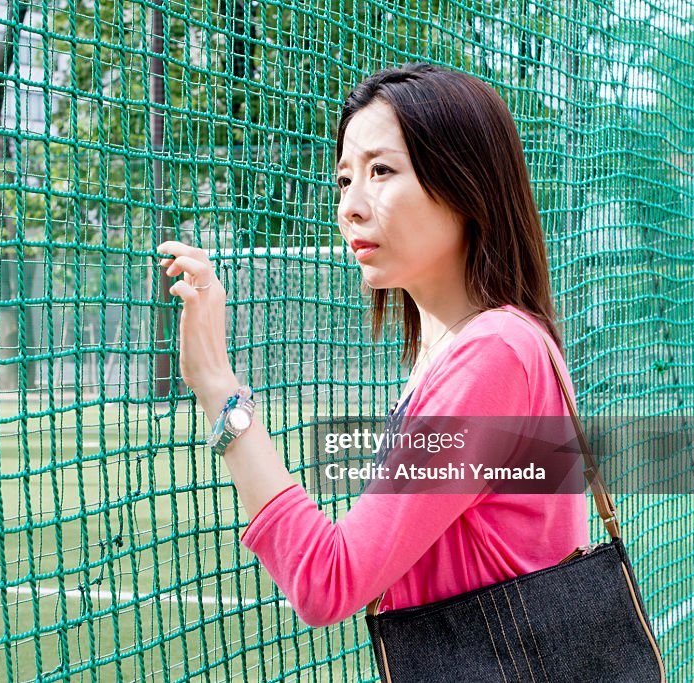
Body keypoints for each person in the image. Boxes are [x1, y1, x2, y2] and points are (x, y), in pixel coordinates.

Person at [155, 62, 589, 628]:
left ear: (465, 184)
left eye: (381, 170)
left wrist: (219, 388)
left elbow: (328, 580)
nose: (350, 206)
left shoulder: (496, 352)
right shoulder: (469, 349)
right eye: (344, 179)